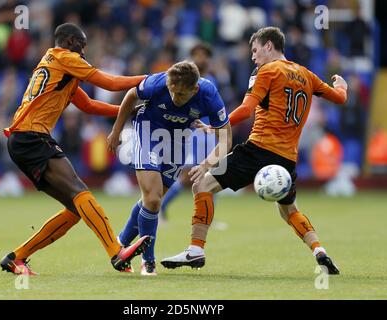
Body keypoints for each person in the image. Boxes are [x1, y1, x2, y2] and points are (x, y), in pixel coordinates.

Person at [161, 27, 347, 275]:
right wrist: (342, 85)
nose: (253, 56)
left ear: (269, 46)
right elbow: (339, 98)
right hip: (287, 158)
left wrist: (217, 125)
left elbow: (247, 110)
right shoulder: (306, 74)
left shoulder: (266, 70)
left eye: (255, 49)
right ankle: (319, 251)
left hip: (259, 148)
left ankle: (195, 250)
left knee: (202, 185)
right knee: (289, 210)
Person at [0, 23, 151, 276]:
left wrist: (126, 112)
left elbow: (89, 104)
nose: (84, 50)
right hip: (32, 137)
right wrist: (150, 79)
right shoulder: (65, 57)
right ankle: (117, 253)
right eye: (82, 44)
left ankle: (16, 258)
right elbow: (110, 83)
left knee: (75, 208)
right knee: (80, 191)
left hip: (23, 139)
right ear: (69, 41)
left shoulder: (57, 65)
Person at [107, 61, 232, 275]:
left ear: (195, 89)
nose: (175, 98)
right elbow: (130, 96)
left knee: (152, 201)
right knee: (153, 199)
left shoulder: (209, 94)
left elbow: (225, 138)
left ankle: (121, 243)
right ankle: (148, 261)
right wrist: (116, 131)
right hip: (149, 131)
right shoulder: (157, 83)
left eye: (182, 95)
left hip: (179, 139)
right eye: (173, 92)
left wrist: (205, 165)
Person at [160, 43, 218, 222]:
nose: (201, 59)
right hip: (194, 133)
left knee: (213, 174)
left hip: (210, 133)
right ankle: (160, 206)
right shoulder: (186, 83)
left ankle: (208, 216)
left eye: (204, 55)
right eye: (197, 55)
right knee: (187, 177)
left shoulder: (212, 81)